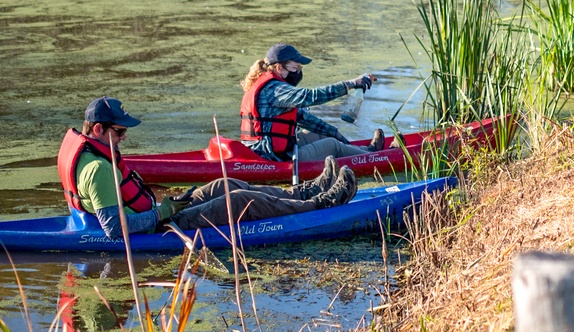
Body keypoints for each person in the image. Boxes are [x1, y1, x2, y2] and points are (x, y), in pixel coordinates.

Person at [56, 96, 357, 238]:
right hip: (159, 227)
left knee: (226, 185)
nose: (123, 138)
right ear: (97, 130)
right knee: (240, 202)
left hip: (156, 214)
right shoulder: (97, 170)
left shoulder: (93, 154)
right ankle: (322, 203)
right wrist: (161, 213)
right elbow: (114, 229)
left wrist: (162, 207)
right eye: (119, 132)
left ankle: (305, 191)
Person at [240, 43, 388, 163]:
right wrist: (351, 84)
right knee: (332, 145)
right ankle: (374, 157)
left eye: (300, 68)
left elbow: (304, 118)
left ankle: (365, 151)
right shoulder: (275, 89)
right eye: (295, 68)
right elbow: (310, 97)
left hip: (267, 149)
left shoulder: (268, 86)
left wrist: (335, 133)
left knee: (320, 134)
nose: (298, 72)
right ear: (279, 68)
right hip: (270, 156)